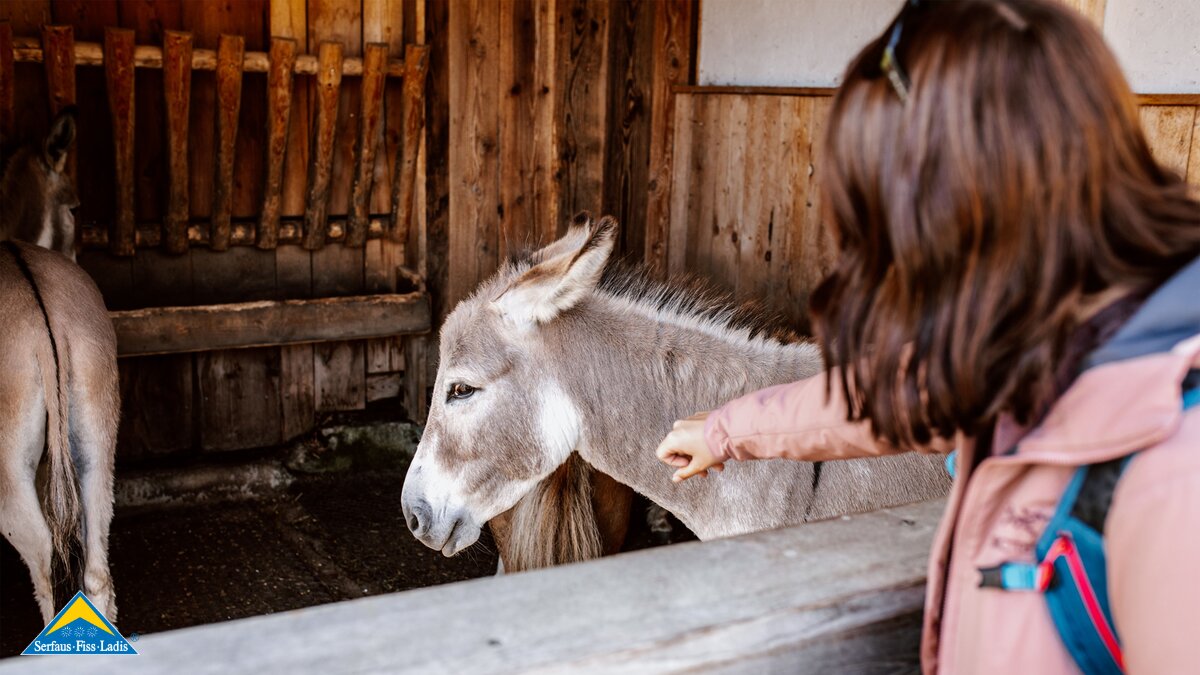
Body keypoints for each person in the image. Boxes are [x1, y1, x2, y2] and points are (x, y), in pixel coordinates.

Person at [654, 1, 1200, 673]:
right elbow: (903, 392)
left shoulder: (1176, 468)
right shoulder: (1039, 340)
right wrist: (726, 430)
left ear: (957, 210)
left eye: (879, 225)